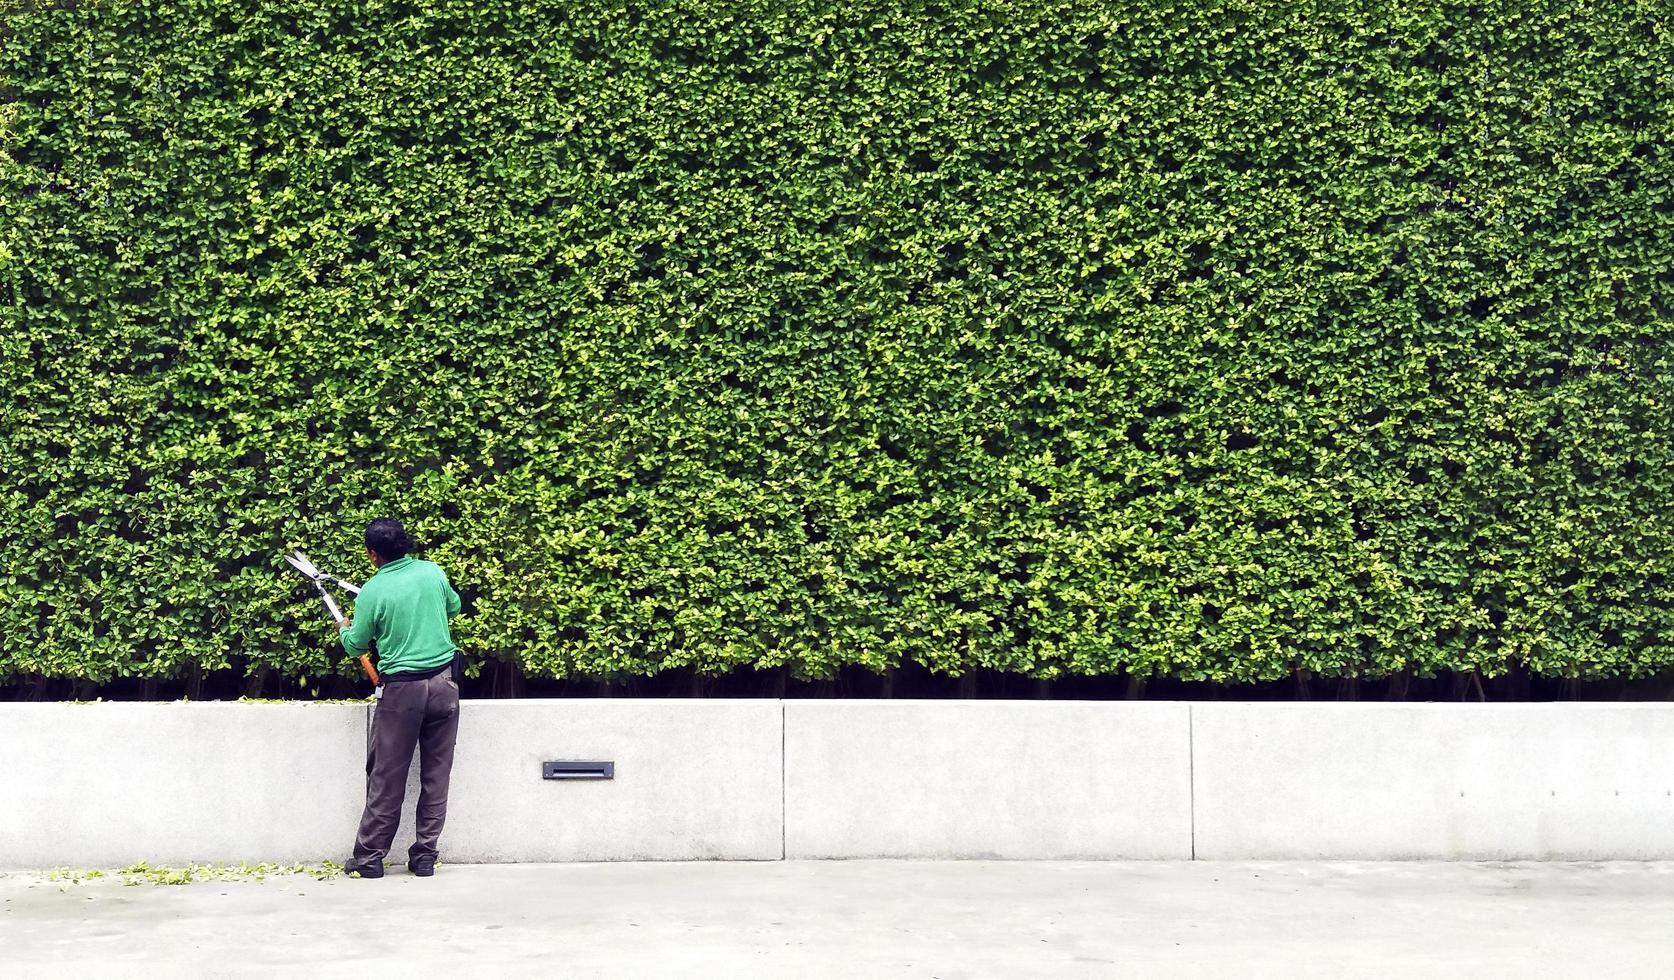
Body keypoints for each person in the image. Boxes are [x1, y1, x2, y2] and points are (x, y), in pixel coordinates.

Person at [337, 518, 463, 878]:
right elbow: (453, 608)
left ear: (372, 554)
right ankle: (425, 857)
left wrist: (344, 630)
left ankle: (369, 859)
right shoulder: (433, 572)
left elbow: (356, 646)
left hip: (402, 693)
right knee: (437, 776)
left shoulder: (373, 591)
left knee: (387, 776)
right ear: (406, 544)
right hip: (445, 685)